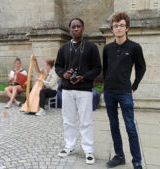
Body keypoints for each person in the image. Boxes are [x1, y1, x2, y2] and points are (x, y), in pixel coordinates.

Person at [55, 18, 102, 165]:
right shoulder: (63, 48)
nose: (76, 29)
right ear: (70, 30)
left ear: (83, 28)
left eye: (78, 26)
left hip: (84, 90)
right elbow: (58, 67)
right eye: (73, 27)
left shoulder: (91, 47)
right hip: (67, 90)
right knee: (68, 120)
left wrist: (84, 77)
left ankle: (88, 150)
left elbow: (97, 68)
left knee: (86, 121)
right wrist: (64, 74)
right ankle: (69, 146)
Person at [103, 12, 146, 169]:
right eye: (115, 26)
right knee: (114, 125)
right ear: (112, 29)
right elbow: (106, 69)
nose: (118, 28)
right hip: (109, 92)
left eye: (121, 25)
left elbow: (141, 68)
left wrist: (133, 86)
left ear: (127, 27)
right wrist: (106, 86)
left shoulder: (135, 47)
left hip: (125, 92)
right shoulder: (107, 49)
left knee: (130, 127)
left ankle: (137, 161)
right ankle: (119, 156)